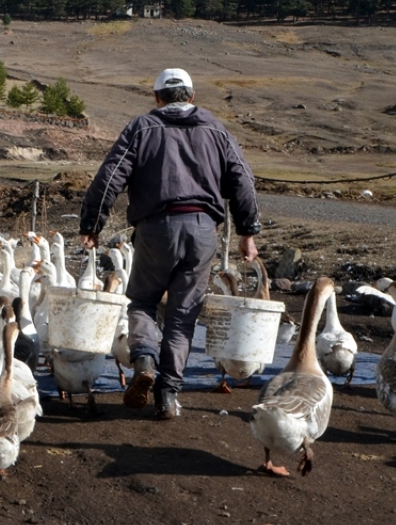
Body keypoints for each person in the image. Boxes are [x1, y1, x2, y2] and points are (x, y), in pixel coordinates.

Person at [78, 68, 260, 420]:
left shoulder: (141, 128)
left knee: (143, 299)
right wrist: (247, 232)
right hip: (203, 230)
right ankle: (168, 395)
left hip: (156, 228)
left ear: (157, 98)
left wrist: (92, 225)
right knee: (182, 315)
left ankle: (144, 358)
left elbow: (110, 177)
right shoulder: (217, 131)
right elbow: (243, 180)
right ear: (191, 97)